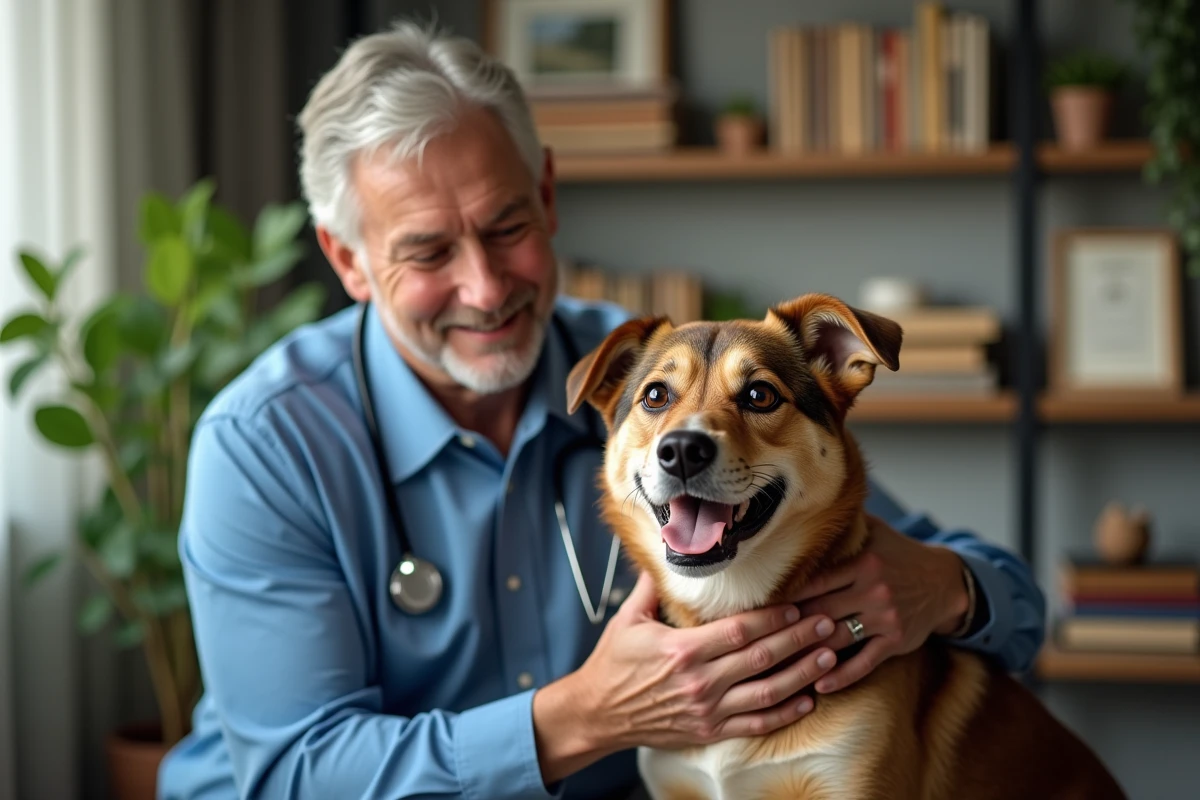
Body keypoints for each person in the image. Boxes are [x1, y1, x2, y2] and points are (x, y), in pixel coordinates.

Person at [157, 20, 1046, 800]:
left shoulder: (651, 377)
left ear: (547, 196)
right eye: (427, 252)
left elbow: (1002, 600)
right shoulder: (265, 444)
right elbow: (297, 772)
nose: (485, 287)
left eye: (507, 227)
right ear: (348, 260)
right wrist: (583, 719)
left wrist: (946, 588)